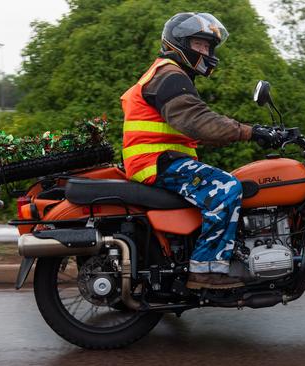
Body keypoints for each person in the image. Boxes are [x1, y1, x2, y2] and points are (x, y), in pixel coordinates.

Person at [120, 12, 279, 289]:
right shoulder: (169, 75)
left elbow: (191, 128)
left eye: (208, 46)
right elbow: (199, 123)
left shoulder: (171, 75)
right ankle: (205, 271)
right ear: (178, 43)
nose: (206, 51)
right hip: (156, 163)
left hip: (163, 160)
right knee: (226, 188)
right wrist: (250, 132)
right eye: (199, 45)